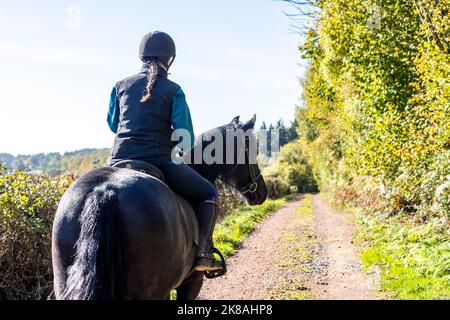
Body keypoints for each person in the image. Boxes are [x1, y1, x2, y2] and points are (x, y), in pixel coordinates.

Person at [107, 31, 223, 272]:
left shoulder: (120, 86)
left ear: (141, 56)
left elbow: (112, 124)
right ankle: (203, 253)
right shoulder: (174, 89)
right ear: (169, 59)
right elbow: (186, 136)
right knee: (209, 193)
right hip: (159, 160)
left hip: (118, 159)